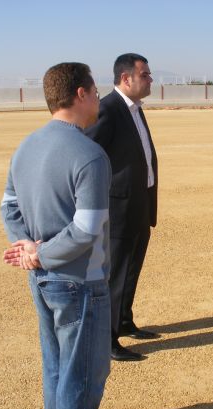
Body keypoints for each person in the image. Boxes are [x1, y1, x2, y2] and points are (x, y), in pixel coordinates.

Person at [0, 62, 111, 409]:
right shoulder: (90, 155)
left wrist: (30, 250)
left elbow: (8, 208)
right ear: (81, 94)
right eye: (95, 92)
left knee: (56, 370)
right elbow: (85, 230)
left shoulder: (26, 146)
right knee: (82, 376)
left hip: (41, 280)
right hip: (80, 280)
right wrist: (40, 254)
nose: (98, 99)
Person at [85, 53, 159, 362]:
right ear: (126, 79)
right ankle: (109, 339)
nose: (150, 78)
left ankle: (125, 321)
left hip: (140, 203)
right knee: (116, 273)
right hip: (119, 208)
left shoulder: (134, 109)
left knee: (132, 268)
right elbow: (89, 153)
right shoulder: (110, 109)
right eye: (145, 74)